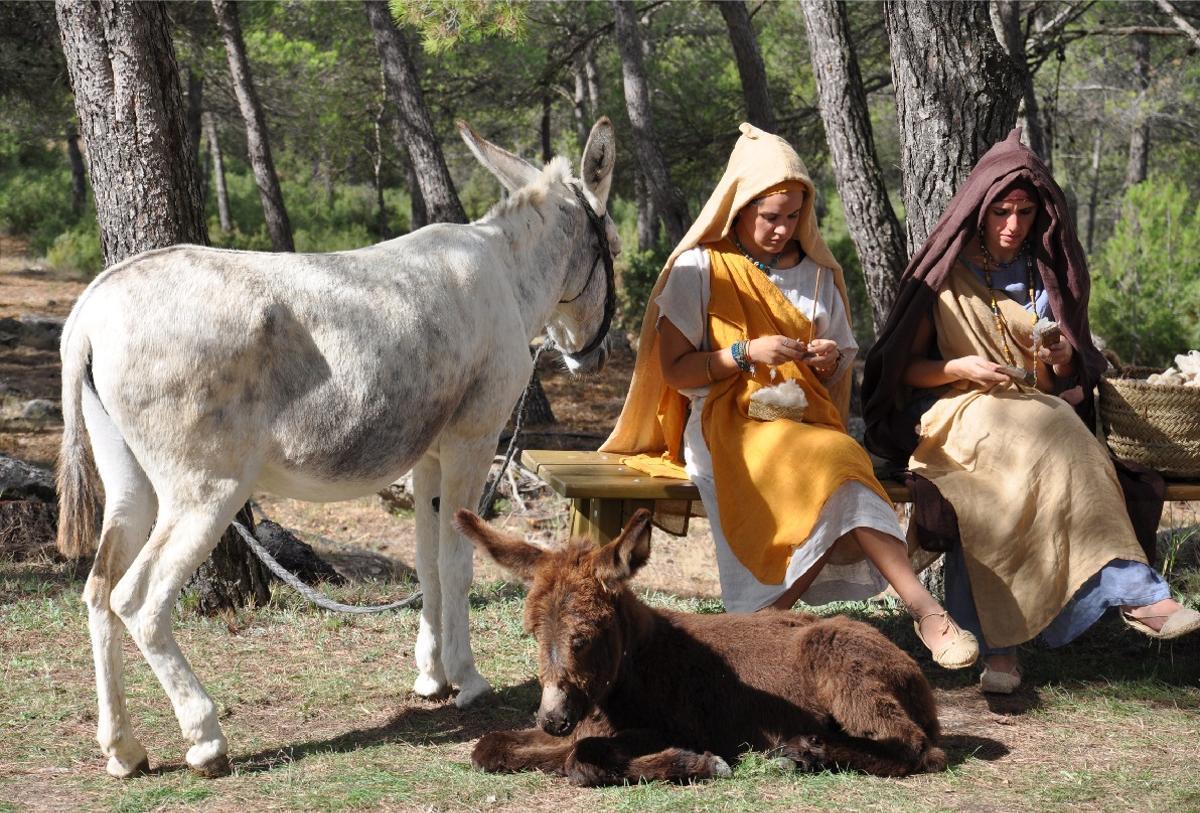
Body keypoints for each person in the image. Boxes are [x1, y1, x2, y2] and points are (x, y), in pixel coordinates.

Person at [600, 122, 978, 670]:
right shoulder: (698, 269)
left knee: (839, 465)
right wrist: (745, 353)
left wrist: (825, 359)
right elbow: (677, 371)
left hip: (803, 424)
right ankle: (778, 628)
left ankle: (918, 616)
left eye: (793, 215)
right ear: (741, 208)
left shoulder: (820, 275)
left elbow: (834, 369)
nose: (782, 229)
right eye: (770, 216)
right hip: (724, 424)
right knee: (837, 464)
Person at [862, 129, 1200, 694]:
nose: (1013, 225)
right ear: (979, 211)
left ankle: (1011, 649)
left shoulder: (1045, 273)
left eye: (1024, 211)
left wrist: (1062, 357)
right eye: (1000, 211)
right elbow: (902, 369)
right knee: (1034, 442)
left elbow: (1060, 379)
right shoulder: (943, 275)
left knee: (1035, 463)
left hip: (1029, 412)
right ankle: (1130, 596)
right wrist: (960, 369)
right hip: (954, 409)